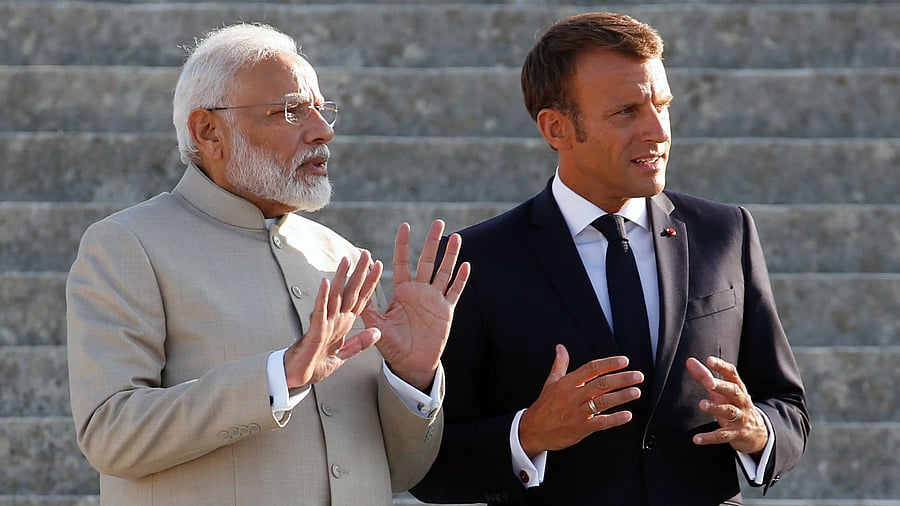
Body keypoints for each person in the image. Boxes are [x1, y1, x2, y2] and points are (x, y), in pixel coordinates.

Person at [410, 11, 809, 506]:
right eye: (626, 112)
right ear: (556, 128)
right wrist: (528, 433)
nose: (657, 131)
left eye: (662, 106)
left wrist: (756, 429)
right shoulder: (477, 261)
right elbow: (429, 467)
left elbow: (788, 408)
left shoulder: (725, 233)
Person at [66, 23, 469, 505]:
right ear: (208, 132)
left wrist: (413, 378)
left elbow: (401, 472)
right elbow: (110, 434)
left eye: (321, 110)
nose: (323, 131)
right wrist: (279, 376)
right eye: (290, 111)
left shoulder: (342, 257)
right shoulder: (129, 244)